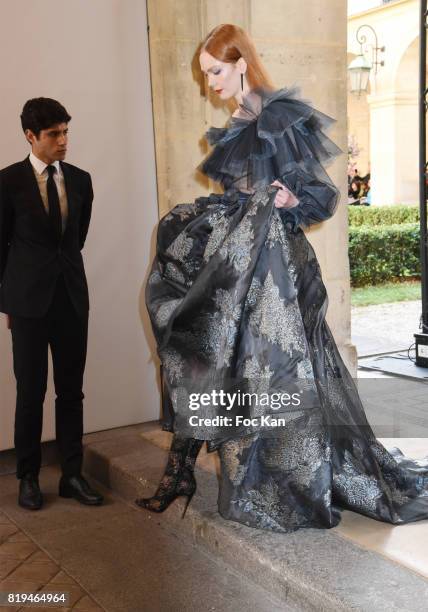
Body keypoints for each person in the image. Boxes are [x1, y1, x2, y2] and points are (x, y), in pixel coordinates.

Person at [137, 24, 428, 532]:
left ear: (241, 62)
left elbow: (322, 196)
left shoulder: (279, 116)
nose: (210, 82)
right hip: (244, 265)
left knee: (244, 365)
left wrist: (291, 199)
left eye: (216, 71)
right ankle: (179, 470)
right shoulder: (234, 121)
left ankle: (287, 477)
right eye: (205, 74)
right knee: (200, 347)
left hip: (281, 274)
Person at [0, 98, 103, 510]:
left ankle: (72, 476)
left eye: (66, 132)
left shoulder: (80, 180)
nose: (63, 141)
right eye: (53, 134)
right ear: (31, 136)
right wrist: (8, 301)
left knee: (71, 392)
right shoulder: (7, 182)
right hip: (26, 305)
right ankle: (28, 477)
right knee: (30, 393)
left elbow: (76, 238)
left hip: (72, 301)